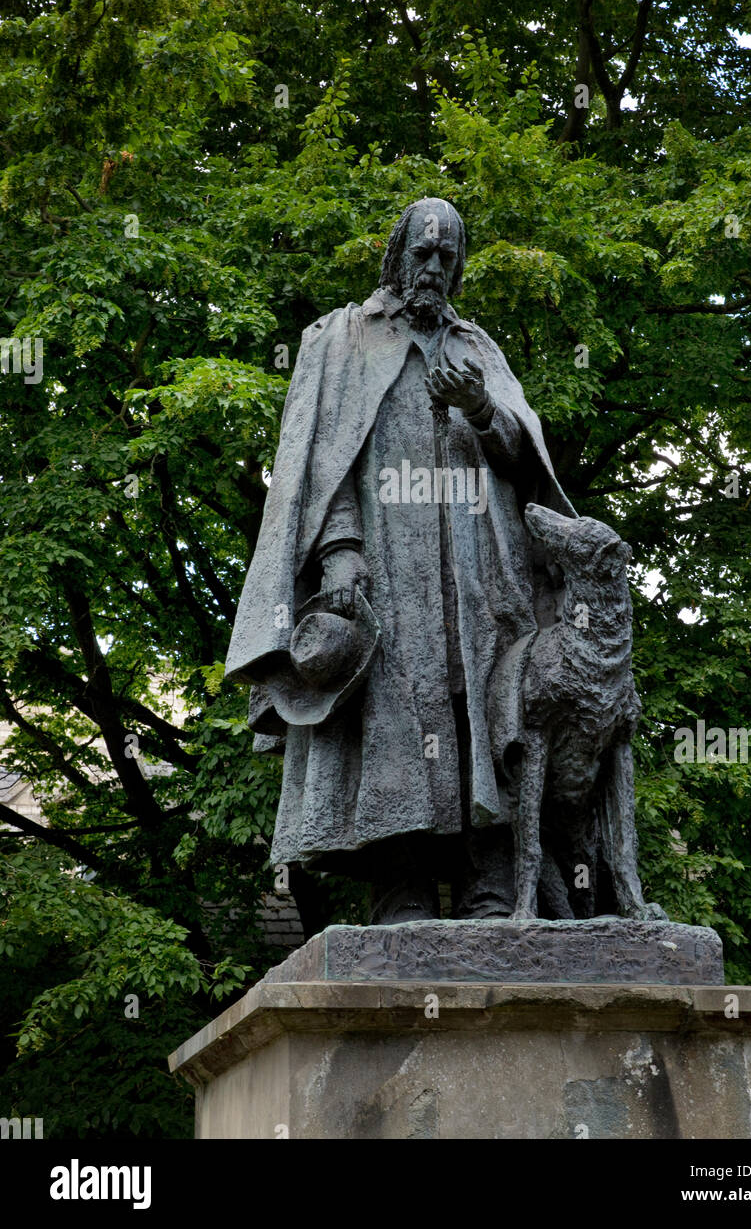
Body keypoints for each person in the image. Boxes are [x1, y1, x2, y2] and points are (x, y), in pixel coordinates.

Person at [225, 197, 573, 921]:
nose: (434, 266)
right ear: (397, 253)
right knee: (394, 712)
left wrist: (482, 408)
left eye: (448, 256)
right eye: (423, 251)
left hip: (482, 567)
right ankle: (400, 885)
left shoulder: (477, 348)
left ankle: (493, 882)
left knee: (484, 701)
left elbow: (525, 458)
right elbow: (324, 463)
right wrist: (341, 551)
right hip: (387, 563)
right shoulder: (342, 339)